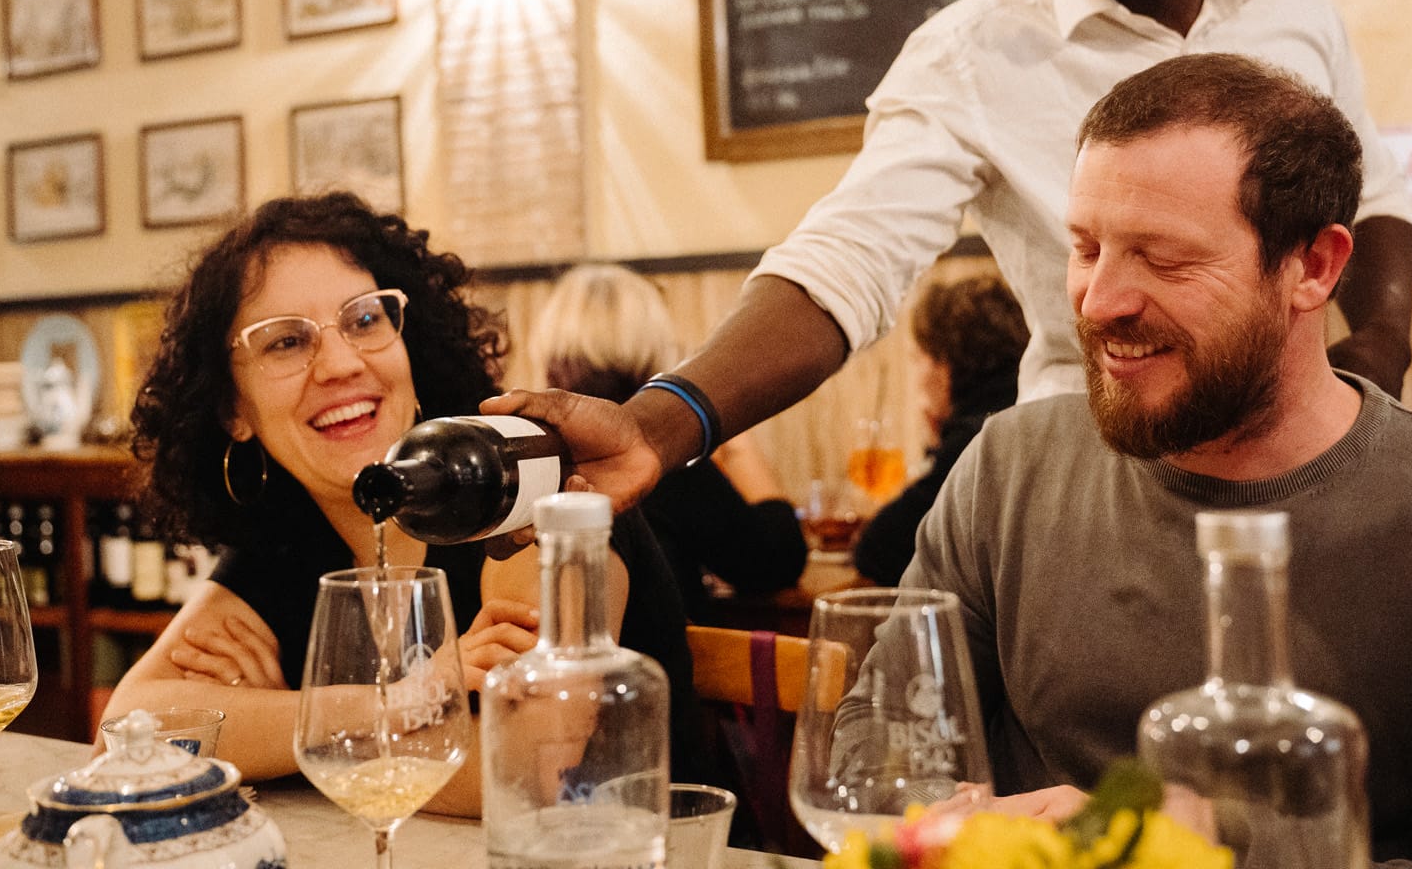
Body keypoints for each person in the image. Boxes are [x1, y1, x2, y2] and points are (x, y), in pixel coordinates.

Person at [487, 0, 1412, 512]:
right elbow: (849, 257)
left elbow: (1371, 188)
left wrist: (1381, 344)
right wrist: (661, 423)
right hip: (1102, 486)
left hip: (1315, 465)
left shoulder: (1295, 2)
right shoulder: (971, 53)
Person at [903, 54, 1412, 868]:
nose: (1100, 302)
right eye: (1088, 248)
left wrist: (1159, 854)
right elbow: (882, 756)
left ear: (1314, 268)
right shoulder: (1006, 472)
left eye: (1163, 260)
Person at [105, 192, 709, 811]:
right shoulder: (286, 537)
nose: (340, 362)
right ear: (233, 410)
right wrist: (396, 703)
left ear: (408, 341)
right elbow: (129, 730)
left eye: (365, 320)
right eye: (287, 342)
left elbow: (520, 772)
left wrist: (276, 732)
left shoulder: (519, 489)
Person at [531, 263, 807, 620]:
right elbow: (776, 562)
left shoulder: (530, 451)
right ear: (655, 346)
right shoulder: (654, 453)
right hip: (654, 672)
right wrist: (738, 444)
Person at [852, 273, 1028, 586]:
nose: (917, 374)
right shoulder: (1027, 411)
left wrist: (940, 444)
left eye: (918, 358)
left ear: (944, 363)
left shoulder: (978, 440)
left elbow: (880, 550)